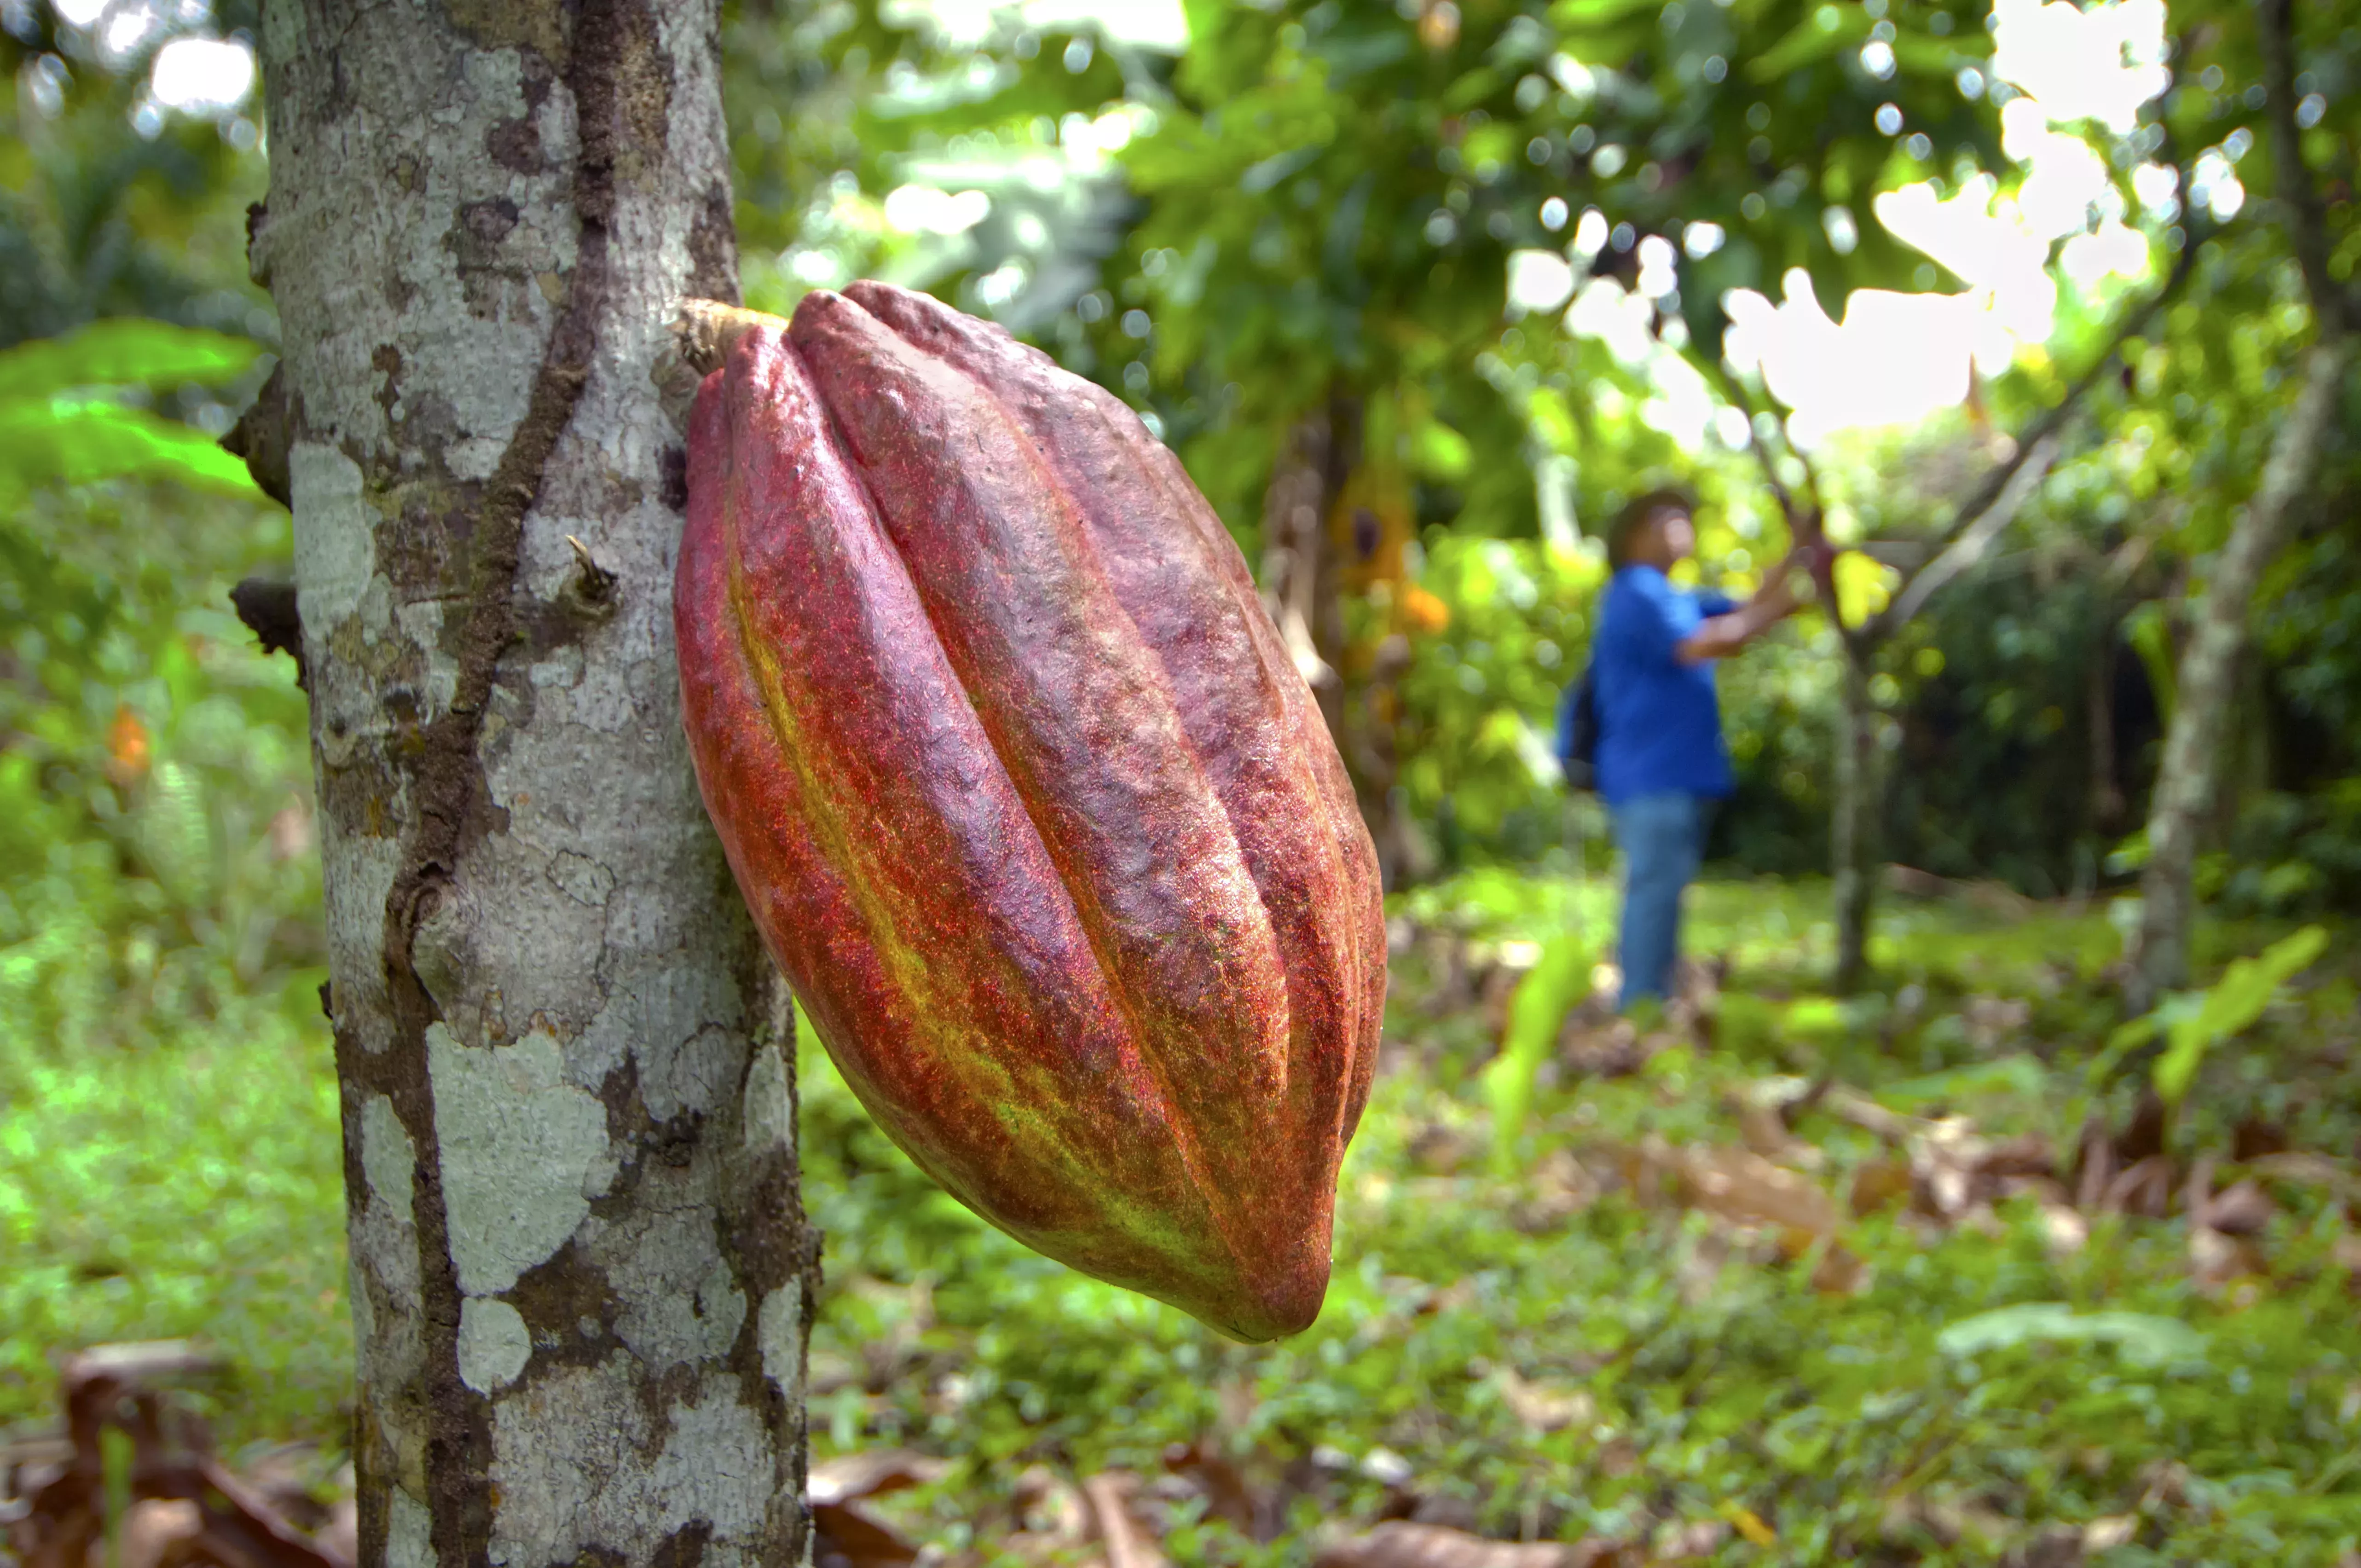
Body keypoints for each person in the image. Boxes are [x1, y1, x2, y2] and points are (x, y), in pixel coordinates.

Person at [1590, 487, 1812, 1010]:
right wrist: (1786, 605)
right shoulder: (1638, 589)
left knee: (1664, 889)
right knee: (1654, 889)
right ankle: (1640, 1004)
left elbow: (1744, 610)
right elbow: (1708, 641)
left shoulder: (1672, 596)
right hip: (1651, 771)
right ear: (1638, 533)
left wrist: (1798, 551)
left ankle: (1652, 998)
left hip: (1672, 772)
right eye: (1673, 519)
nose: (1685, 527)